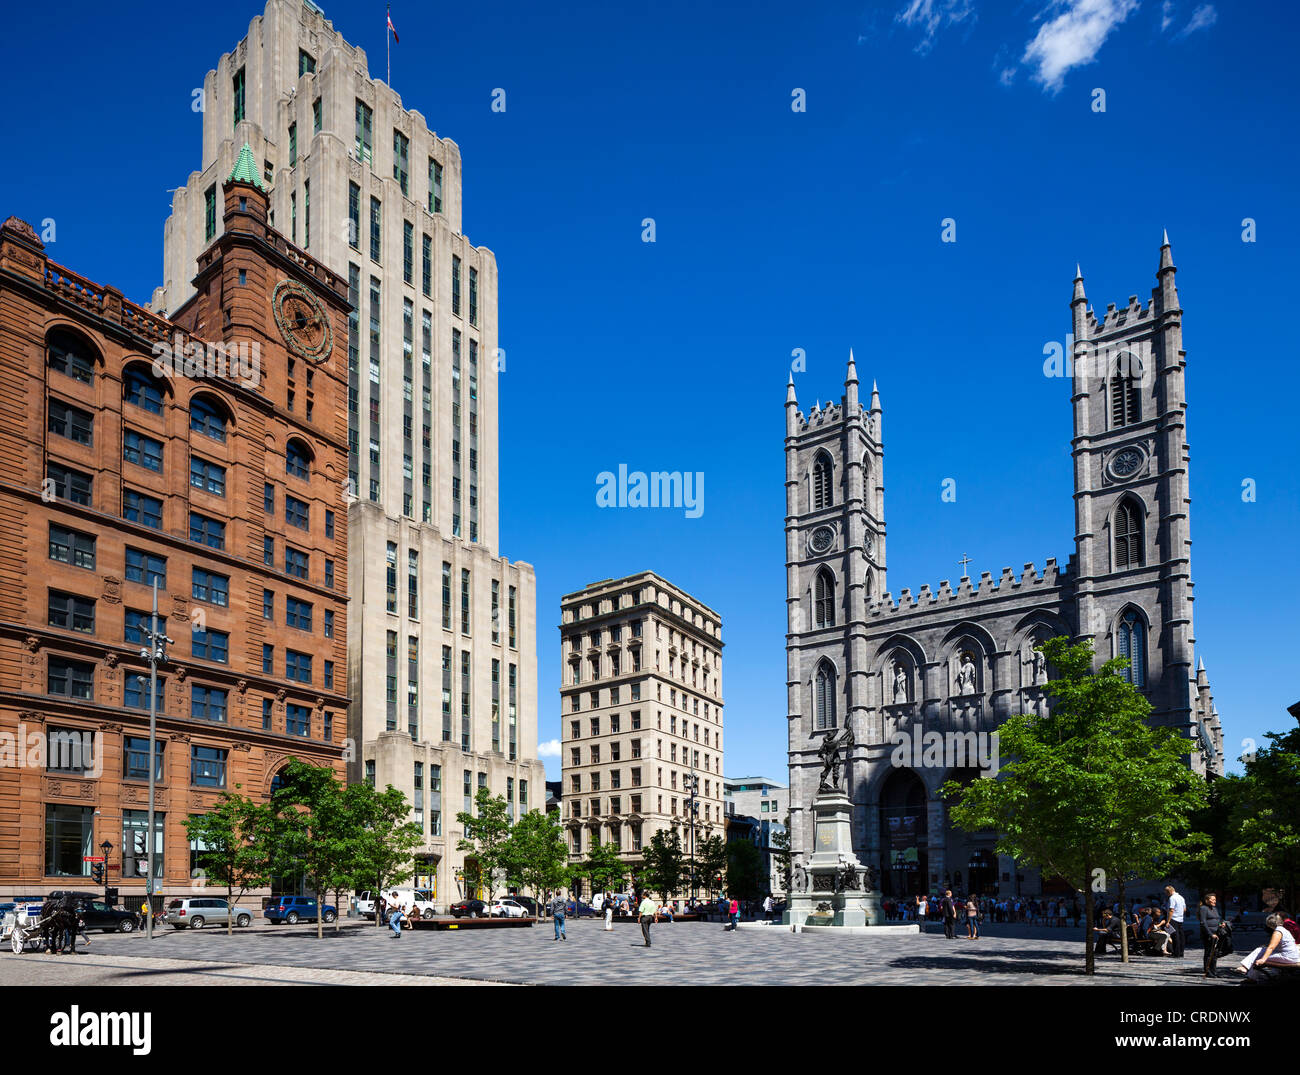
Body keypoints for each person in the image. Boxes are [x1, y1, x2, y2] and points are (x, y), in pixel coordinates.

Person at [1237, 913, 1300, 982]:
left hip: (1288, 957)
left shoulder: (1278, 932)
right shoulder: (1284, 930)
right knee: (1260, 950)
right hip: (1291, 956)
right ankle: (1249, 972)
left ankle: (1250, 975)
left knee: (1259, 955)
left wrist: (1263, 960)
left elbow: (1271, 947)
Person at [1198, 894, 1224, 978]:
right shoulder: (1203, 908)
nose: (1214, 901)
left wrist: (1221, 924)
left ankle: (1214, 971)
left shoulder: (1214, 908)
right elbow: (1203, 922)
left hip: (1217, 933)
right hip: (1209, 934)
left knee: (1215, 953)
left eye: (1215, 899)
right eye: (1212, 899)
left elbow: (1217, 919)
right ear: (1207, 900)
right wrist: (1210, 934)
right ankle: (1208, 971)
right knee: (1209, 953)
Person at [1164, 884, 1187, 958]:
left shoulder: (1172, 898)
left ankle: (1176, 953)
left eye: (1166, 893)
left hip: (1173, 918)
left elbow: (1171, 910)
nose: (1166, 894)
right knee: (1181, 936)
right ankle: (1181, 952)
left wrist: (1168, 921)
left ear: (1169, 892)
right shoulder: (1181, 897)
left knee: (1175, 936)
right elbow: (1184, 909)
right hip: (1180, 919)